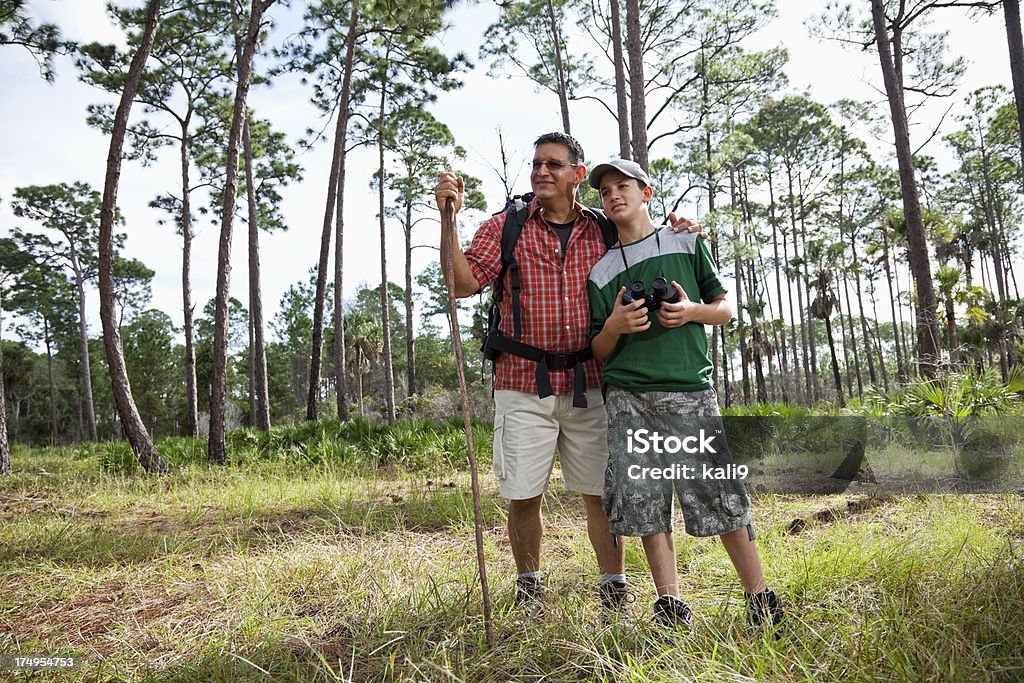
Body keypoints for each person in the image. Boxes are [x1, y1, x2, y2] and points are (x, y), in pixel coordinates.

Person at [434, 132, 700, 614]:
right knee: (524, 495)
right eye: (536, 164)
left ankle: (613, 585)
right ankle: (530, 585)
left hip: (591, 381)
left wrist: (680, 226)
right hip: (521, 382)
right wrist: (446, 219)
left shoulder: (602, 228)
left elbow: (647, 238)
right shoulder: (505, 226)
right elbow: (463, 283)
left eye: (553, 165)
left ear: (578, 175)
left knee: (600, 493)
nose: (541, 172)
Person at [587, 158, 784, 630]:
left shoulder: (686, 241)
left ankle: (760, 599)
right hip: (628, 398)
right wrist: (615, 325)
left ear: (646, 192)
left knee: (720, 495)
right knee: (647, 503)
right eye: (605, 190)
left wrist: (692, 310)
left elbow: (726, 308)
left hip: (689, 391)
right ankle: (670, 605)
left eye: (624, 186)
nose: (614, 195)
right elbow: (598, 348)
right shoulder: (601, 271)